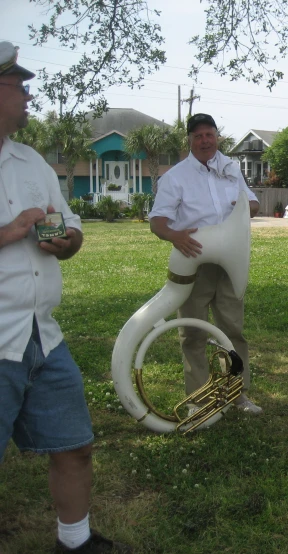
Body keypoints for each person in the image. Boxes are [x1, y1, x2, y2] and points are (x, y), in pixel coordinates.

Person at [0, 42, 131, 553]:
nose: (29, 96)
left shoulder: (31, 160)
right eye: (19, 86)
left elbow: (70, 228)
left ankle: (74, 542)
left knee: (74, 445)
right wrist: (9, 231)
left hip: (42, 336)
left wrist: (67, 240)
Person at [149, 113, 262, 416]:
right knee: (193, 334)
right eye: (197, 136)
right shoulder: (174, 177)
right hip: (194, 263)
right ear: (189, 140)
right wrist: (175, 236)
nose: (204, 141)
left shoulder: (230, 169)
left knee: (233, 331)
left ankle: (237, 395)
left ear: (217, 137)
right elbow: (157, 222)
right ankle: (199, 401)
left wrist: (240, 209)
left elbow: (252, 203)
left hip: (229, 263)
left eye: (209, 135)